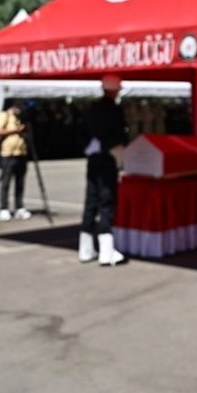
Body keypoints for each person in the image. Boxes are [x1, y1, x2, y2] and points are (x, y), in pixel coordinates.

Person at [80, 75, 128, 265]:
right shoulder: (114, 110)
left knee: (91, 201)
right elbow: (119, 135)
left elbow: (82, 133)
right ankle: (106, 252)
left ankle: (85, 249)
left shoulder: (92, 108)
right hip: (108, 157)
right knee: (107, 202)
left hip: (93, 158)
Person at [0, 100, 31, 222]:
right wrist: (14, 130)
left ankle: (19, 207)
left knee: (20, 182)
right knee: (6, 182)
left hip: (21, 152)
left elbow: (26, 132)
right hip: (8, 154)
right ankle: (4, 208)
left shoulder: (20, 117)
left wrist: (24, 130)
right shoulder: (5, 115)